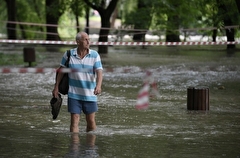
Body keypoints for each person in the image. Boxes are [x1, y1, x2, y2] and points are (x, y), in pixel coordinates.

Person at [52, 32, 103, 133]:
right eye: (86, 40)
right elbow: (61, 71)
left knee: (91, 122)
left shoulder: (95, 55)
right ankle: (74, 147)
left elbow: (99, 71)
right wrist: (56, 87)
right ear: (78, 42)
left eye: (89, 39)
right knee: (74, 121)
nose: (89, 42)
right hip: (74, 94)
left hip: (90, 94)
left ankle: (90, 147)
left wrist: (98, 85)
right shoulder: (69, 54)